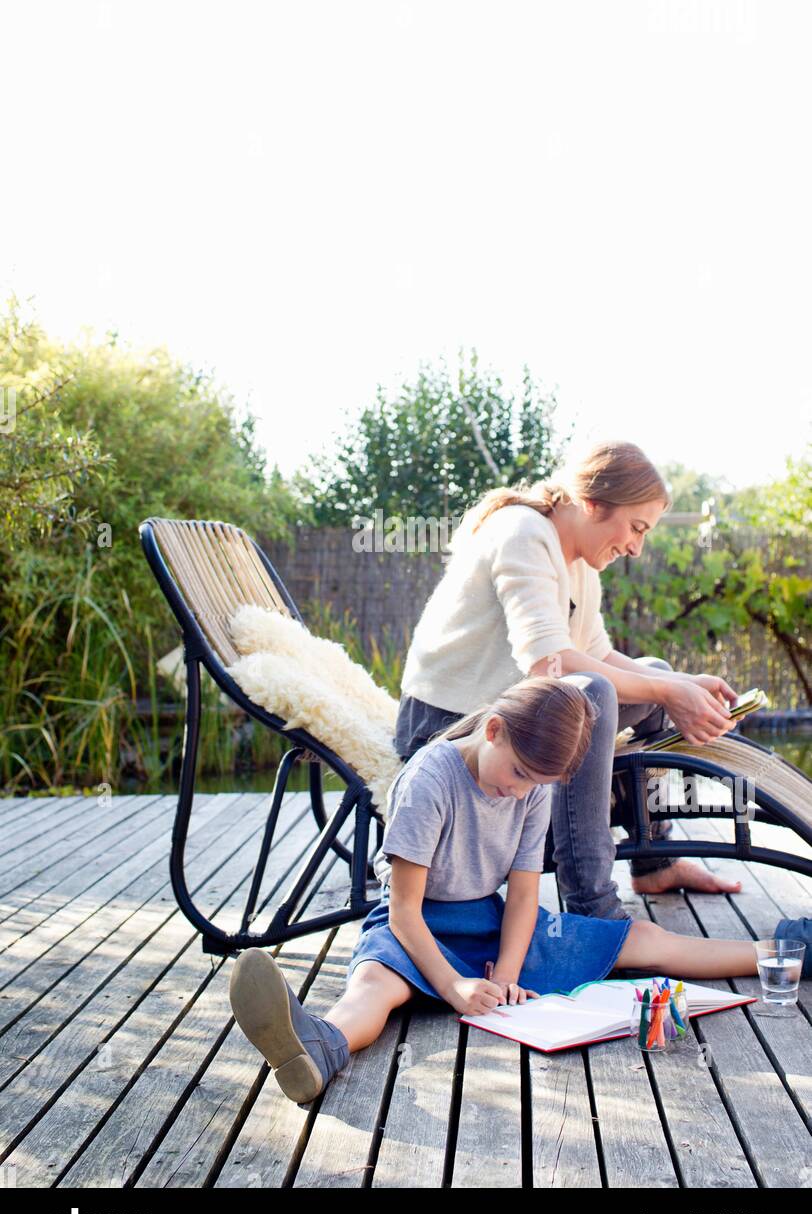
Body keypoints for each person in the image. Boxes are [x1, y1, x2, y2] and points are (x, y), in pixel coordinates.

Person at [228, 676, 812, 1106]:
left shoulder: (533, 786)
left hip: (496, 922)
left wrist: (505, 975)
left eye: (535, 784)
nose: (518, 792)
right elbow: (403, 911)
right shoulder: (430, 780)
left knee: (644, 937)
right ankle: (321, 1047)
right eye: (517, 775)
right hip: (417, 927)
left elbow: (526, 895)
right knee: (373, 988)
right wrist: (455, 986)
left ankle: (789, 950)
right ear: (493, 730)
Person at [394, 439, 744, 921]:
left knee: (654, 677)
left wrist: (682, 682)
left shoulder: (579, 564)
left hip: (502, 712)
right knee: (594, 692)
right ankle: (592, 904)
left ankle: (654, 861)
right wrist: (668, 690)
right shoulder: (522, 533)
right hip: (446, 728)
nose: (636, 547)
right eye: (636, 528)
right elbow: (551, 663)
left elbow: (596, 653)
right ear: (593, 503)